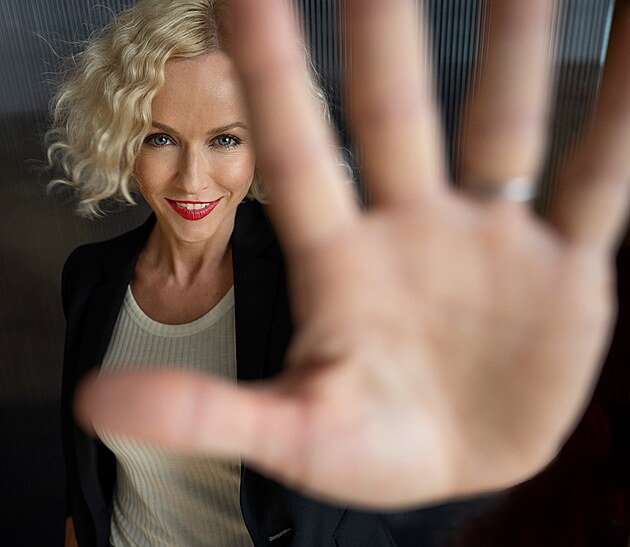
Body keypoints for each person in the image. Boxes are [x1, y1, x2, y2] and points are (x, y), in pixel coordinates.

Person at [49, 0, 630, 545]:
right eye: (161, 138)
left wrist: (472, 451)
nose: (192, 179)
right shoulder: (90, 275)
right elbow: (86, 487)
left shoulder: (322, 283)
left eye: (225, 139)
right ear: (125, 137)